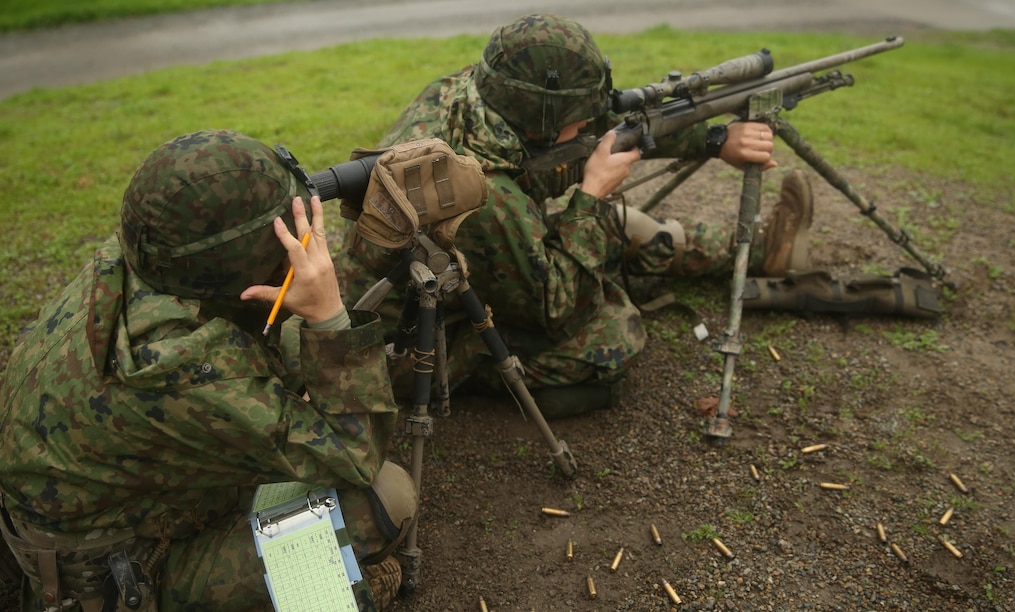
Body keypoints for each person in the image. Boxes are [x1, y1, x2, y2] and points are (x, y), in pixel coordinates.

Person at [0, 130, 416, 611]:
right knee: (386, 497)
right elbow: (354, 454)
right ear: (248, 272)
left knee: (297, 355)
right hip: (115, 573)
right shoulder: (183, 366)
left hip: (84, 502)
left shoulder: (142, 258)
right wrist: (328, 314)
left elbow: (253, 339)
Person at [339, 13, 814, 418]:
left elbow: (602, 130)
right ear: (543, 119)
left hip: (443, 271)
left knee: (617, 229)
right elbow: (555, 310)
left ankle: (751, 251)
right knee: (613, 335)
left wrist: (712, 140)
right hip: (408, 341)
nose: (590, 121)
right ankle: (488, 374)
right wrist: (590, 195)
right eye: (579, 113)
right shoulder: (481, 198)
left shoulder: (473, 97)